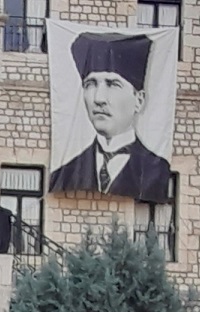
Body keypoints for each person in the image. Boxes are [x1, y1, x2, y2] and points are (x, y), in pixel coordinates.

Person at [49, 32, 171, 201]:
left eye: (113, 84)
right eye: (90, 84)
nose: (99, 99)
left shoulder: (156, 168)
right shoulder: (68, 170)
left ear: (139, 100)